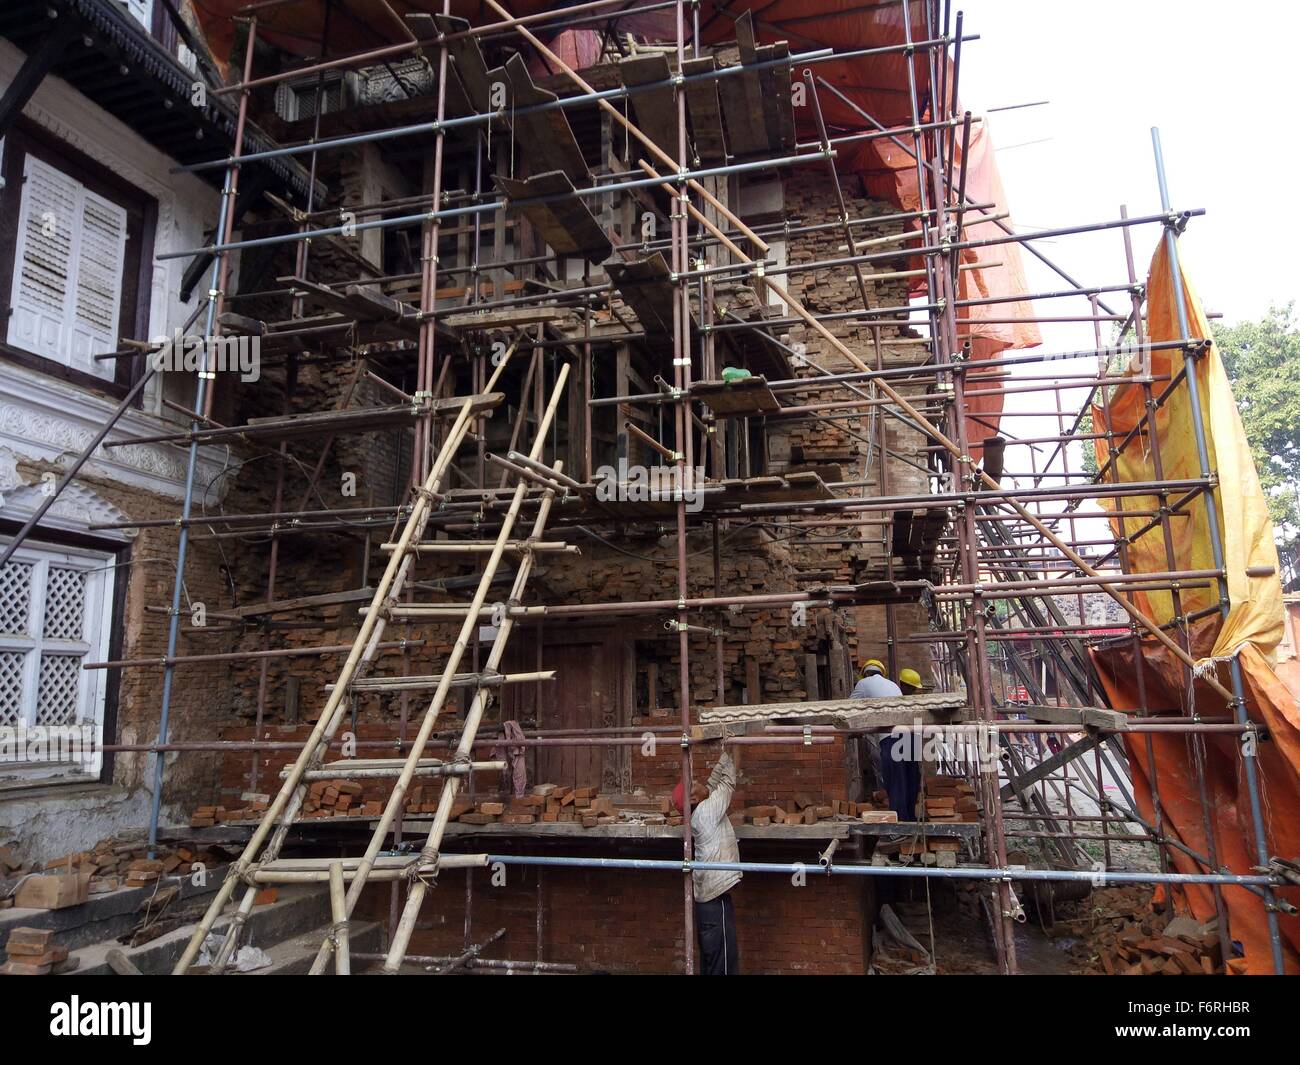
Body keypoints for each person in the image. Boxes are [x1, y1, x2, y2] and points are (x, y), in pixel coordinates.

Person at [671, 745, 741, 974]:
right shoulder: (707, 813)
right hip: (714, 901)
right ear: (693, 797)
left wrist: (726, 749)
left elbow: (712, 783)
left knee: (712, 964)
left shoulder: (699, 810)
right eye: (695, 783)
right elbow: (728, 781)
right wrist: (739, 745)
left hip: (707, 901)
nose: (701, 782)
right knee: (723, 966)